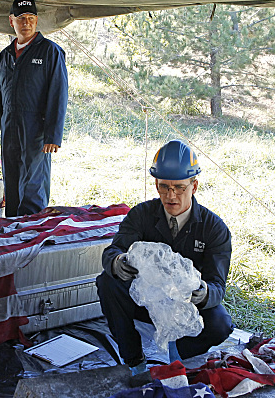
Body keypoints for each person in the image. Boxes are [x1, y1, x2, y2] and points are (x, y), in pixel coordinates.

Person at [96, 139, 233, 375]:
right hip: (146, 301)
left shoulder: (213, 228)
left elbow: (218, 286)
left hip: (187, 306)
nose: (171, 195)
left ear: (194, 186)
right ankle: (133, 359)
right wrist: (118, 264)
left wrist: (202, 293)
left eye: (179, 187)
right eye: (164, 187)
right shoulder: (141, 215)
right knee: (108, 282)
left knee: (221, 324)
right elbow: (112, 252)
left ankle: (179, 353)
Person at [0, 0, 68, 217]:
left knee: (32, 186)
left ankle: (30, 235)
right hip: (9, 128)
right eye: (21, 18)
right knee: (11, 184)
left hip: (36, 132)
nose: (26, 23)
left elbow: (58, 95)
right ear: (12, 21)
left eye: (30, 18)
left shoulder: (50, 52)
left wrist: (53, 135)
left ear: (37, 21)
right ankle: (12, 233)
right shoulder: (6, 56)